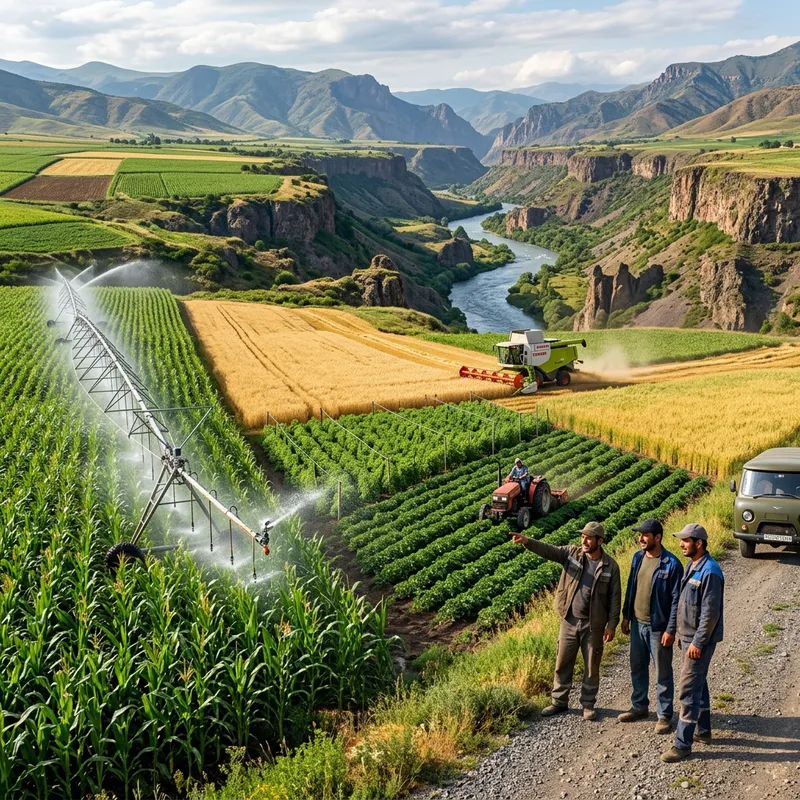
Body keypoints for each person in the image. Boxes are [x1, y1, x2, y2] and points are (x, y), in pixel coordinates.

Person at [512, 521, 621, 720]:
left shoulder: (610, 566)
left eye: (589, 538)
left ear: (600, 541)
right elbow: (549, 550)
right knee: (562, 662)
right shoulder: (572, 554)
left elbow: (615, 598)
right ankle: (559, 702)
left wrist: (612, 625)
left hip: (594, 625)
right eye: (583, 537)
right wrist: (527, 541)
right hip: (569, 620)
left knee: (592, 666)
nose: (584, 541)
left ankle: (588, 704)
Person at [661, 523, 725, 763]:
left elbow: (710, 613)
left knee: (688, 689)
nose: (681, 544)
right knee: (699, 682)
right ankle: (703, 730)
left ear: (699, 543)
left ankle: (682, 744)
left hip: (699, 641)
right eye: (681, 540)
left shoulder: (710, 571)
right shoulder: (692, 565)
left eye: (686, 540)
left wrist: (697, 642)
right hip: (689, 637)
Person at [618, 518, 683, 734]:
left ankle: (664, 715)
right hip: (637, 623)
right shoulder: (638, 558)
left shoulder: (671, 564)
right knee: (637, 666)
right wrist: (626, 616)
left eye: (645, 535)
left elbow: (676, 601)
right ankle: (639, 706)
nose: (641, 538)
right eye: (640, 535)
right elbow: (631, 587)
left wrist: (670, 629)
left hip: (658, 628)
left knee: (662, 672)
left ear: (657, 537)